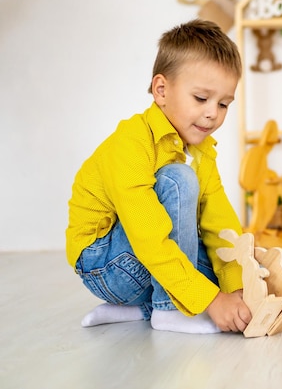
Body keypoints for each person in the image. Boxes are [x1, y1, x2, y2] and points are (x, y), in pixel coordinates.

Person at [65, 19, 252, 334]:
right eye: (201, 98)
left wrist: (235, 289)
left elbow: (220, 226)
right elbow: (148, 236)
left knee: (241, 266)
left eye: (223, 104)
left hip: (140, 268)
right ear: (161, 90)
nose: (213, 113)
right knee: (178, 180)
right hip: (105, 265)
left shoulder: (203, 151)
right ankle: (169, 311)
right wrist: (211, 301)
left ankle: (141, 308)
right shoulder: (131, 142)